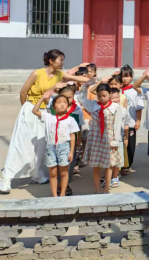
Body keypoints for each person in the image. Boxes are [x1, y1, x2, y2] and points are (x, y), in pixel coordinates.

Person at [0, 50, 89, 195]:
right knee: (21, 145)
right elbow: (23, 92)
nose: (62, 62)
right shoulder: (37, 73)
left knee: (41, 144)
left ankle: (36, 174)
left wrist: (93, 77)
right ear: (51, 61)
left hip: (45, 111)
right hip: (31, 109)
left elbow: (78, 78)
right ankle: (6, 178)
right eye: (60, 60)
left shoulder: (60, 75)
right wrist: (26, 109)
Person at [78, 80, 127, 194]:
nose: (102, 98)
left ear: (110, 94)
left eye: (104, 95)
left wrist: (115, 140)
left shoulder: (116, 107)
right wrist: (85, 86)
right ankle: (97, 189)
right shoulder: (93, 105)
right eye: (99, 96)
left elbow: (117, 125)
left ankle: (106, 189)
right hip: (95, 138)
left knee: (109, 165)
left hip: (109, 139)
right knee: (96, 166)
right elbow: (81, 98)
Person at [32, 91, 79, 197]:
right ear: (53, 106)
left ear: (67, 106)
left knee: (63, 172)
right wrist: (42, 98)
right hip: (51, 147)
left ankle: (62, 194)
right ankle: (54, 195)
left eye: (64, 102)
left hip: (64, 147)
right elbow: (34, 111)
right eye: (59, 102)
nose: (62, 104)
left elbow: (72, 136)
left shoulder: (71, 120)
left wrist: (71, 152)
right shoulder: (48, 117)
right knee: (52, 173)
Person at [48, 85, 84, 196]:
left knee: (67, 166)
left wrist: (79, 139)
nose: (68, 100)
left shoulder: (77, 109)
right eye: (65, 97)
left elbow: (79, 126)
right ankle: (58, 185)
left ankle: (65, 185)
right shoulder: (55, 109)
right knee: (56, 167)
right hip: (56, 142)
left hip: (70, 143)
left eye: (70, 97)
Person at [120, 65, 144, 176]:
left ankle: (128, 165)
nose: (124, 79)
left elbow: (138, 107)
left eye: (127, 76)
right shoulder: (116, 89)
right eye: (122, 76)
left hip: (130, 122)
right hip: (118, 123)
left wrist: (138, 121)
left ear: (132, 77)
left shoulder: (135, 90)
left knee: (130, 144)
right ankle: (119, 165)